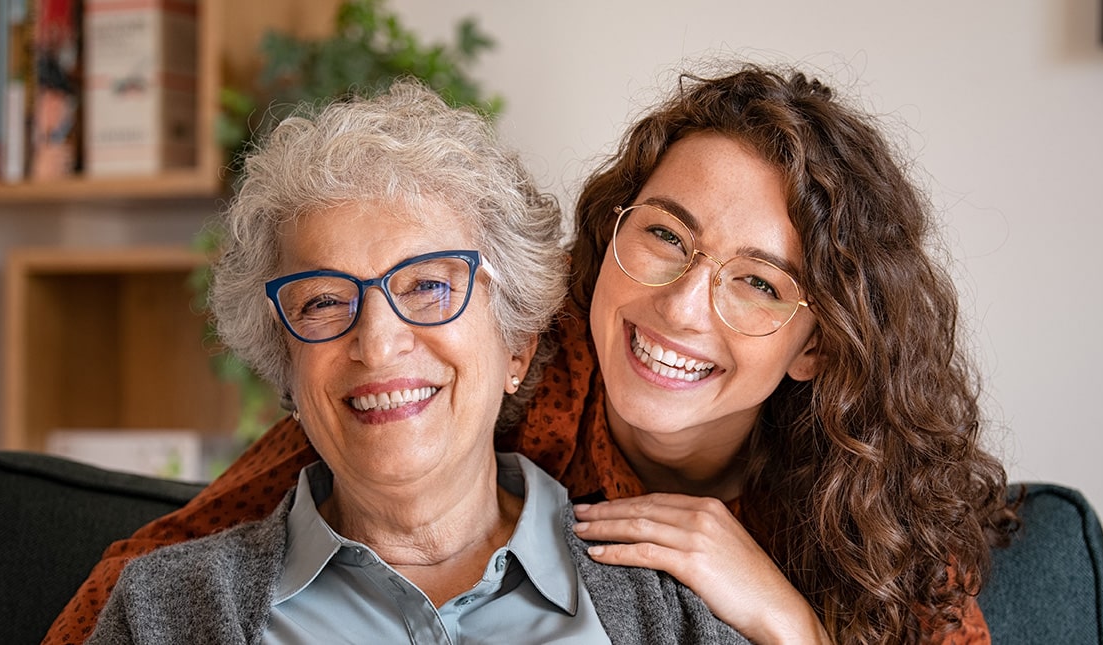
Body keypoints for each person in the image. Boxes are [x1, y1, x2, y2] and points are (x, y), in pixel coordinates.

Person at [48, 63, 1015, 645]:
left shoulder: (874, 516)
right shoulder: (502, 364)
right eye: (666, 237)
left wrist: (787, 626)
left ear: (817, 343)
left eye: (757, 282)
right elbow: (184, 560)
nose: (681, 307)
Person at [81, 80, 746, 645]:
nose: (376, 342)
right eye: (323, 301)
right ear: (284, 358)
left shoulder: (670, 601)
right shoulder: (163, 610)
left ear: (516, 343)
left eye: (428, 285)